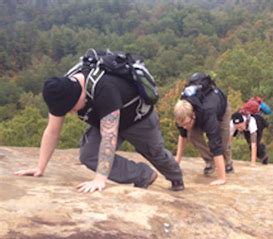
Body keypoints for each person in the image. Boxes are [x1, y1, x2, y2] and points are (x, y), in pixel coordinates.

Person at [14, 71, 184, 193]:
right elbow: (52, 131)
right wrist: (40, 167)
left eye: (73, 108)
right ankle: (143, 175)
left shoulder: (103, 88)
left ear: (81, 94)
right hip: (102, 119)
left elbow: (109, 136)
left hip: (137, 120)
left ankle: (175, 176)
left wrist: (100, 179)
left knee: (155, 152)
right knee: (89, 155)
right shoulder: (61, 91)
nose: (72, 112)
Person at [174, 72, 233, 185]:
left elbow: (215, 144)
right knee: (192, 135)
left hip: (222, 109)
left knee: (223, 142)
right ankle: (210, 161)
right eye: (182, 125)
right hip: (200, 111)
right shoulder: (182, 112)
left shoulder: (208, 113)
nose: (185, 126)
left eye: (186, 123)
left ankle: (228, 163)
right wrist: (177, 161)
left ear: (193, 116)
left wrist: (221, 178)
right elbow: (183, 136)